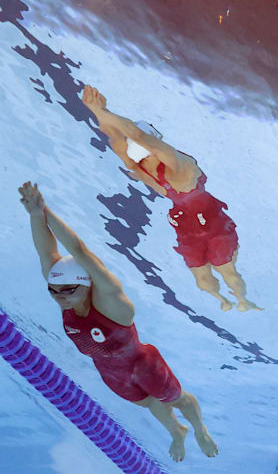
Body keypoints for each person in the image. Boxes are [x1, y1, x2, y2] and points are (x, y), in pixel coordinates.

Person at [18, 181, 219, 461]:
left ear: (87, 284)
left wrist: (45, 211)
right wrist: (34, 216)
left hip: (144, 366)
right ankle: (177, 432)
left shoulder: (113, 303)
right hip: (113, 374)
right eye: (53, 291)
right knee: (150, 404)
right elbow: (46, 253)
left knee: (176, 399)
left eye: (67, 291)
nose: (59, 297)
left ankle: (199, 430)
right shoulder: (65, 293)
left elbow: (81, 252)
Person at [81, 85, 259, 311]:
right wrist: (104, 112)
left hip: (184, 225)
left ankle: (223, 302)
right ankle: (242, 301)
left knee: (202, 281)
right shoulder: (176, 164)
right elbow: (137, 135)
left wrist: (97, 111)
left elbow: (117, 141)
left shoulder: (137, 168)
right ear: (154, 141)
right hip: (211, 220)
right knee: (228, 272)